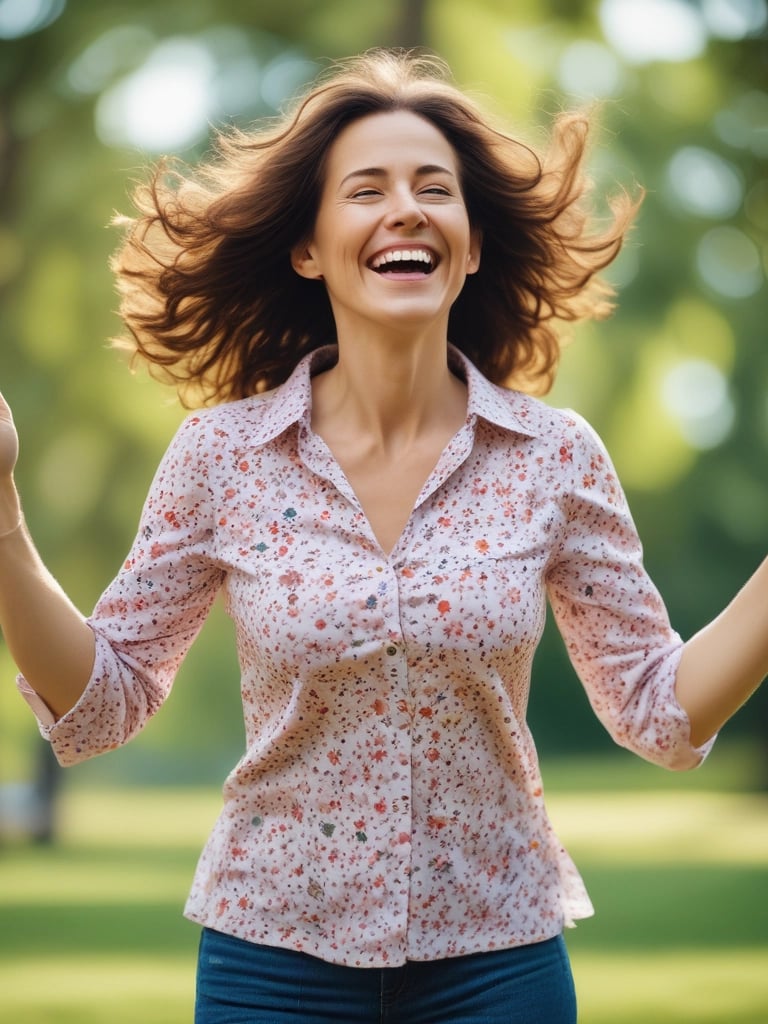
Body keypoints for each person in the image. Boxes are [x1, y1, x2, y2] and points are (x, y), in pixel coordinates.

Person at [0, 48, 766, 1024]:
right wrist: (5, 514)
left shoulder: (555, 458)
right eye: (367, 189)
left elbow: (659, 711)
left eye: (432, 188)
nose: (405, 208)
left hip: (497, 961)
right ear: (308, 246)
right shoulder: (222, 457)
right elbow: (100, 703)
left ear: (472, 244)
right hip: (270, 959)